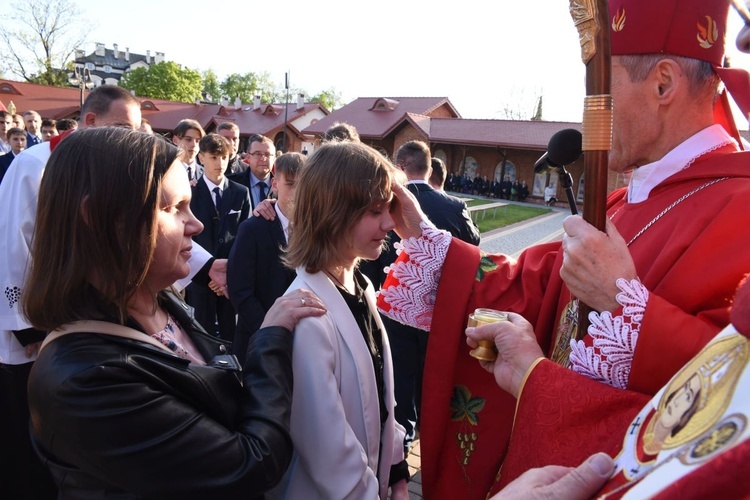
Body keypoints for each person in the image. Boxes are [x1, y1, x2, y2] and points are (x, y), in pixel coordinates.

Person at [377, 0, 750, 497]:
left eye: (600, 94)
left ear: (663, 84)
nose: (588, 117)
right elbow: (538, 282)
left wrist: (624, 303)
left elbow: (728, 391)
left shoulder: (739, 206)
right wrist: (425, 238)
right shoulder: (625, 200)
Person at [24, 127, 327, 499]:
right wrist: (270, 338)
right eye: (171, 208)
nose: (195, 224)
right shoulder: (86, 380)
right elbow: (251, 464)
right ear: (100, 218)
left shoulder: (158, 300)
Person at [0, 85, 145, 500]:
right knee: (30, 448)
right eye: (121, 128)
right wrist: (29, 332)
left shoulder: (114, 169)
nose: (129, 141)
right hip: (34, 338)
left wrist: (207, 265)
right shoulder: (34, 165)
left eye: (135, 132)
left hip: (85, 327)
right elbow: (12, 247)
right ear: (91, 121)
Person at [268, 141, 408, 499]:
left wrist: (397, 476)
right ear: (334, 213)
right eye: (375, 211)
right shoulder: (308, 315)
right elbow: (328, 450)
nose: (390, 222)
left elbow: (381, 400)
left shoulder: (360, 286)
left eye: (388, 208)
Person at [380, 140, 480, 453]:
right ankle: (430, 434)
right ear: (428, 167)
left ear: (401, 165)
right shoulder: (453, 205)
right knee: (430, 373)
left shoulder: (385, 202)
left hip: (391, 302)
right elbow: (474, 244)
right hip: (441, 310)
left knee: (399, 374)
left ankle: (403, 437)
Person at [228, 152, 303, 365]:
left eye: (303, 185)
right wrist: (270, 329)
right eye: (290, 184)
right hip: (258, 339)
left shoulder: (316, 229)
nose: (297, 192)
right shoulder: (252, 228)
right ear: (275, 184)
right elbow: (240, 290)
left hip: (304, 340)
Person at [185, 133, 250, 342]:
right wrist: (206, 272)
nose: (219, 163)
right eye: (213, 157)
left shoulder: (241, 192)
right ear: (201, 158)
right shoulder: (190, 193)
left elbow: (244, 238)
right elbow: (186, 236)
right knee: (201, 336)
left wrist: (231, 271)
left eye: (223, 157)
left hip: (230, 279)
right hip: (200, 279)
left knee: (231, 335)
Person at [229, 134, 275, 209]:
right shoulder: (232, 185)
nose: (263, 159)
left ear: (274, 158)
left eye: (267, 154)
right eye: (257, 154)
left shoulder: (282, 186)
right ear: (248, 157)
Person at [172, 119, 205, 185]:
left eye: (198, 141)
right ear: (175, 140)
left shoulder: (206, 174)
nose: (194, 145)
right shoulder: (166, 171)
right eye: (188, 139)